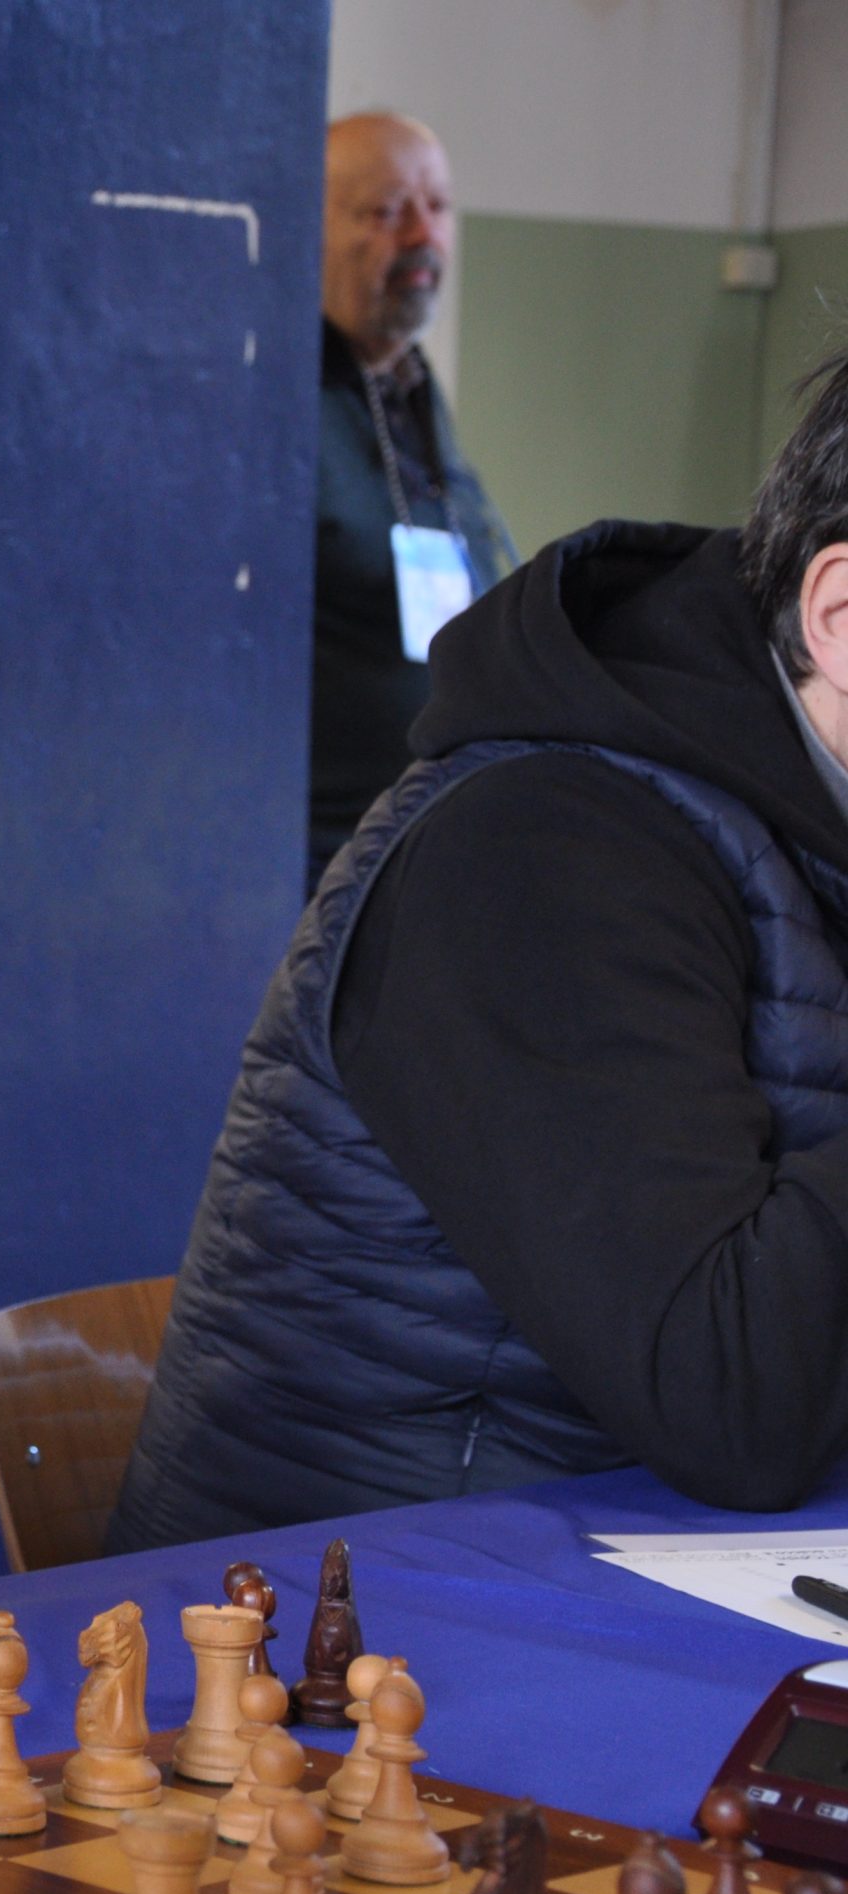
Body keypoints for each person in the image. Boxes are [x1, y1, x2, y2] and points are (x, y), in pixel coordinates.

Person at [107, 343, 848, 1552]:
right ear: (837, 615)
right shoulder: (545, 849)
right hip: (363, 1653)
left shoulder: (807, 832)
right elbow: (735, 1402)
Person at [309, 112, 517, 885]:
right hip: (316, 857)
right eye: (387, 210)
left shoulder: (410, 386)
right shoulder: (275, 399)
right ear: (313, 224)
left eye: (437, 206)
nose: (420, 235)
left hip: (426, 834)